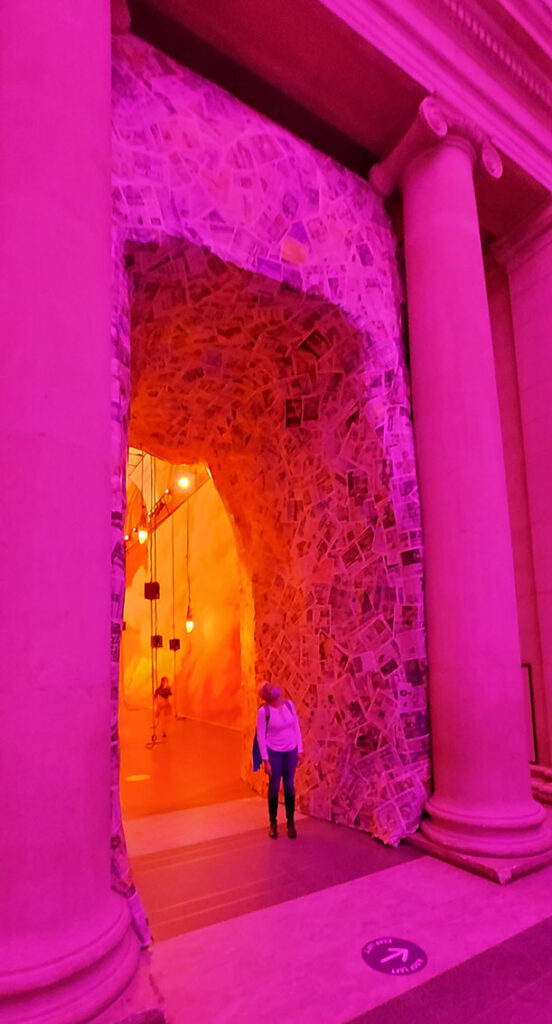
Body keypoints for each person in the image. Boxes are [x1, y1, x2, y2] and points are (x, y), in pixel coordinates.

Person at [256, 681, 303, 839]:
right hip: (274, 752)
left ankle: (290, 822)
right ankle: (273, 823)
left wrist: (299, 750)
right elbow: (261, 737)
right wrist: (266, 760)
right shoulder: (264, 712)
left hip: (290, 751)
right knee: (274, 786)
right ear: (266, 695)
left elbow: (296, 727)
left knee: (289, 785)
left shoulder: (289, 705)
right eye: (268, 688)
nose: (273, 688)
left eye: (271, 685)